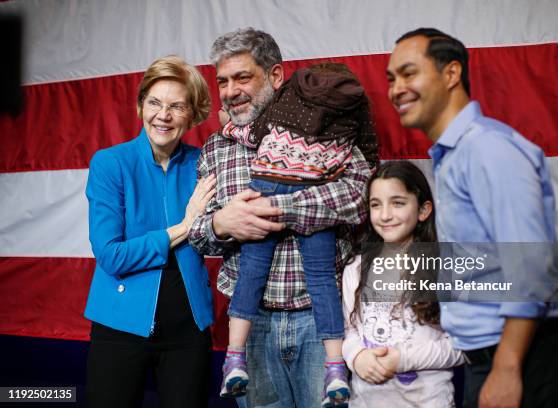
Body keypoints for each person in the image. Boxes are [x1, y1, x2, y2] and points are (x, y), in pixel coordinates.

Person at [386, 28, 558, 408]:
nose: (396, 88)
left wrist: (507, 368)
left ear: (451, 74)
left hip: (525, 361)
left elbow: (530, 266)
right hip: (488, 358)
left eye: (409, 73)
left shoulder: (487, 149)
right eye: (391, 78)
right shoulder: (454, 155)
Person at [188, 28, 374, 408]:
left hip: (319, 322)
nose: (230, 91)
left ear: (275, 77)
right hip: (250, 322)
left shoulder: (323, 125)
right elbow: (198, 231)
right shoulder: (216, 149)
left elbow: (360, 197)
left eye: (242, 77)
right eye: (222, 81)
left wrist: (276, 207)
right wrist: (223, 223)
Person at [84, 55, 217, 408]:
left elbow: (223, 233)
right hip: (119, 326)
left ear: (192, 114)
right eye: (155, 103)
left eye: (177, 106)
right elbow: (112, 255)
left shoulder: (205, 163)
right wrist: (185, 227)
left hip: (189, 329)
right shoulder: (110, 163)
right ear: (141, 105)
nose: (163, 115)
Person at [342, 161, 464, 407]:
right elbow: (349, 331)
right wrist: (357, 357)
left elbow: (461, 347)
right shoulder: (356, 268)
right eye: (376, 205)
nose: (385, 215)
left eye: (398, 203)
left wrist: (402, 359)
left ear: (423, 210)